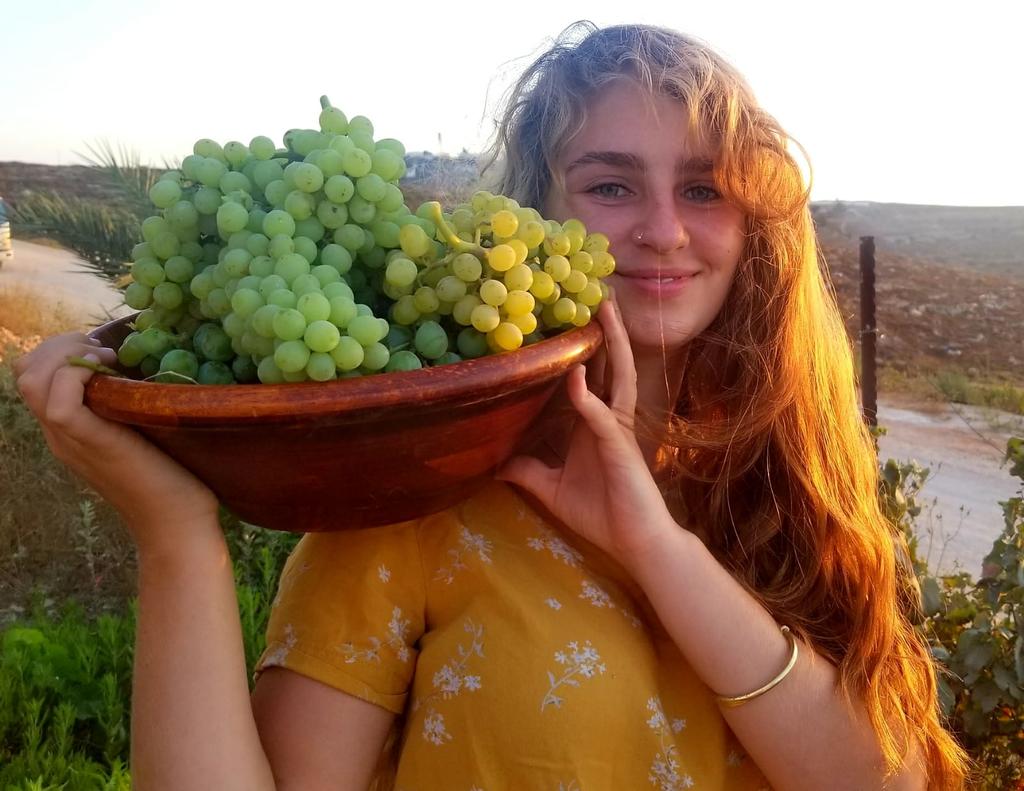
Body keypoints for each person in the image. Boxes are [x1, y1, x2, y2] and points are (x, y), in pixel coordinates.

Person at [12, 21, 970, 791]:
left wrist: (657, 549)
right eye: (609, 183)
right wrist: (178, 537)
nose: (666, 229)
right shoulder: (417, 491)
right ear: (529, 219)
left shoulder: (790, 477)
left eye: (704, 188)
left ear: (756, 222)